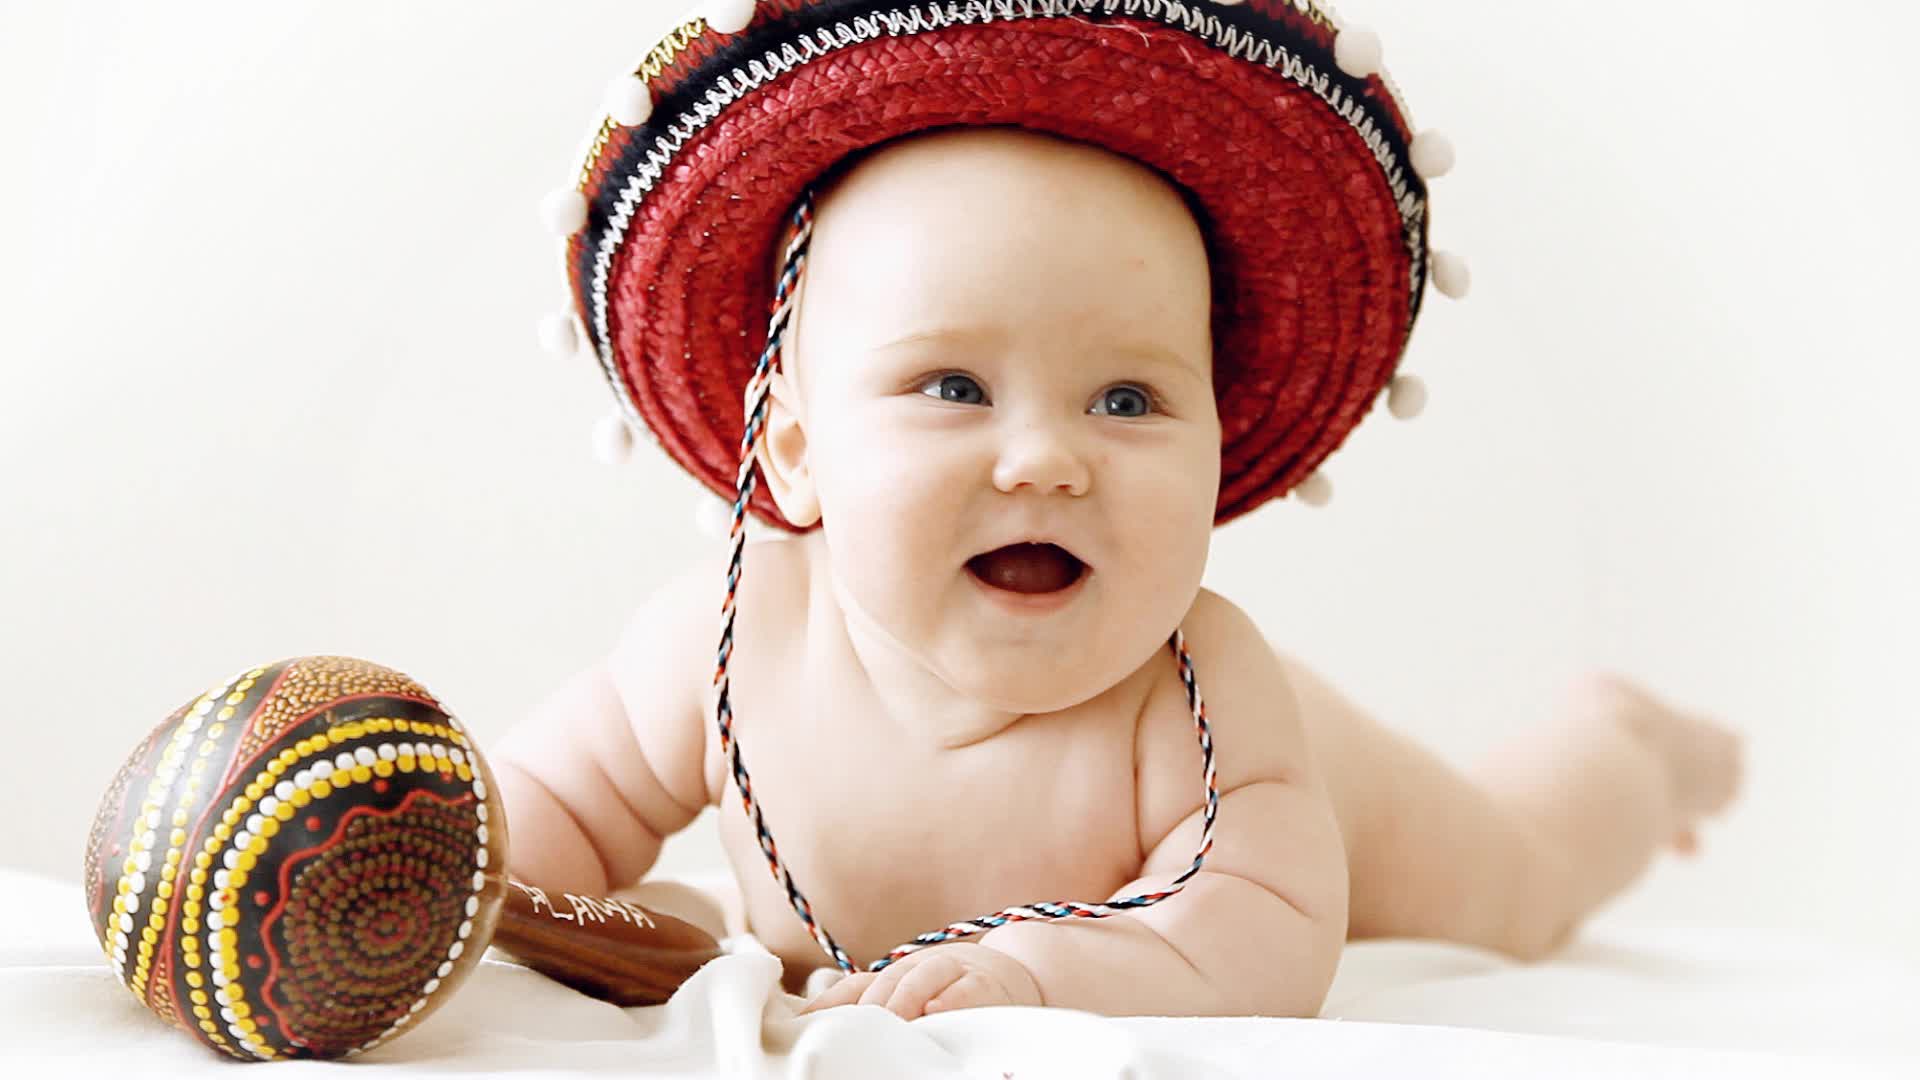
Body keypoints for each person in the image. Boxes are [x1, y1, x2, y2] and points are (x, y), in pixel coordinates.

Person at [494, 0, 1742, 1021]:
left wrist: (1036, 974)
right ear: (800, 453)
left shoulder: (1197, 692)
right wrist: (442, 879)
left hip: (1328, 787)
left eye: (1129, 398)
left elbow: (1261, 939)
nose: (1046, 461)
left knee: (1519, 875)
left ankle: (1637, 753)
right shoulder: (719, 651)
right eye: (955, 386)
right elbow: (535, 826)